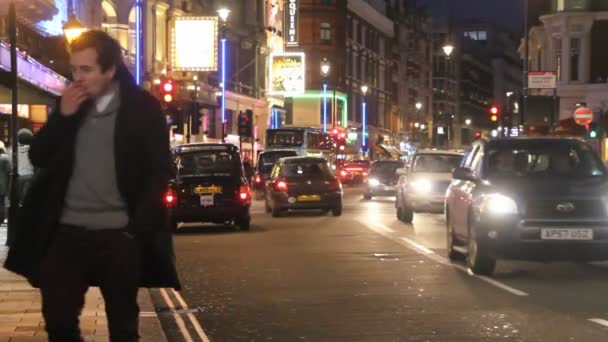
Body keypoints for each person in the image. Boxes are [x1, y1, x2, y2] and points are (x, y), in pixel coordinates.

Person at [4, 30, 180, 341]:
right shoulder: (71, 104)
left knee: (123, 327)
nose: (78, 78)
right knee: (58, 320)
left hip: (119, 235)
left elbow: (159, 170)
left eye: (86, 70)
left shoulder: (142, 109)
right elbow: (39, 155)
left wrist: (135, 227)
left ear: (110, 70)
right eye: (74, 69)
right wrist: (64, 117)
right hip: (67, 233)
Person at [16, 128, 34, 204]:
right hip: (32, 175)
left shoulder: (14, 151)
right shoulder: (34, 150)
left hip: (19, 177)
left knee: (20, 199)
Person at [0, 142, 10, 224]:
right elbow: (9, 171)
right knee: (2, 201)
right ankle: (2, 218)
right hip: (2, 183)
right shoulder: (5, 158)